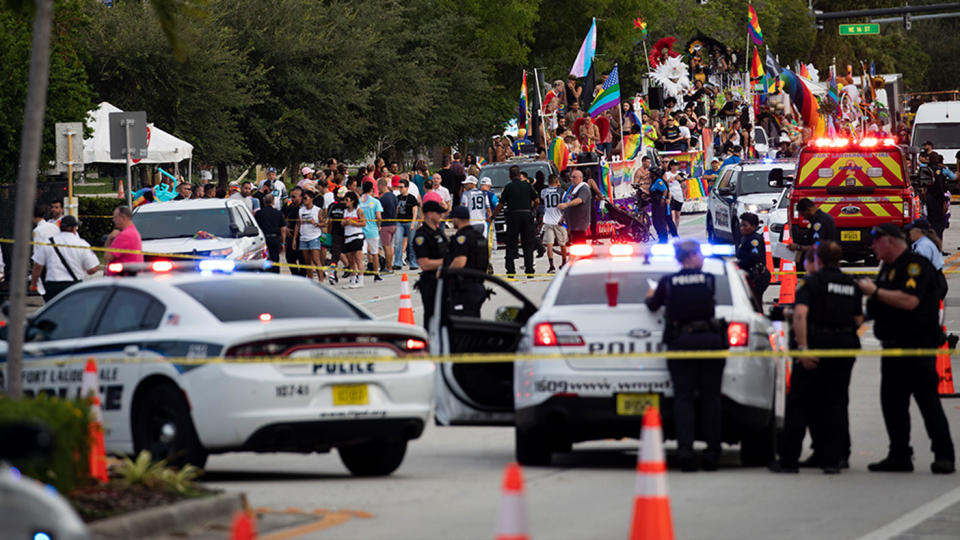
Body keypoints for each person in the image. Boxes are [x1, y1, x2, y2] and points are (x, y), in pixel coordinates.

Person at [857, 223, 955, 474]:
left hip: (917, 347)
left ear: (889, 241)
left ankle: (944, 455)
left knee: (928, 403)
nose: (872, 246)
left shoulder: (915, 266)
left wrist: (875, 292)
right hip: (892, 347)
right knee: (892, 403)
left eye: (875, 241)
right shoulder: (889, 267)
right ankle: (899, 454)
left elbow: (910, 301)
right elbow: (877, 306)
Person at [772, 241, 862, 474]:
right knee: (836, 404)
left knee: (799, 404)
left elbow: (801, 315)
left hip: (815, 346)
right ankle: (832, 460)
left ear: (818, 260)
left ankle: (789, 459)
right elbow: (858, 319)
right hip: (843, 348)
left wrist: (802, 348)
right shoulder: (850, 284)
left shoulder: (813, 283)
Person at [645, 240, 727, 471]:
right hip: (710, 342)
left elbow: (653, 305)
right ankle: (712, 454)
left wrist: (650, 295)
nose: (702, 259)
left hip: (681, 343)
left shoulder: (668, 282)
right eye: (699, 254)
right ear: (690, 256)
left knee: (684, 399)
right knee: (711, 399)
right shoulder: (709, 279)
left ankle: (685, 453)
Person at [29, 216, 100, 303]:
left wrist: (33, 283)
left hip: (53, 286)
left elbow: (37, 266)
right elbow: (93, 268)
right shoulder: (82, 244)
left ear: (60, 227)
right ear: (74, 228)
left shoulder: (48, 243)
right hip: (74, 286)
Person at [490, 165, 538, 277]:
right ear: (519, 174)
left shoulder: (508, 187)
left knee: (511, 243)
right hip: (526, 215)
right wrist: (532, 209)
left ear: (510, 175)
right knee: (527, 244)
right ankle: (529, 270)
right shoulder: (527, 185)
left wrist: (493, 216)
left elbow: (500, 204)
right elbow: (537, 200)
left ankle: (511, 271)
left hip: (513, 216)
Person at [444, 206, 489, 317]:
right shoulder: (479, 236)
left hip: (465, 287)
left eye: (452, 219)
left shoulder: (462, 238)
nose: (452, 221)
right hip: (479, 285)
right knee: (474, 320)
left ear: (457, 219)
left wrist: (444, 273)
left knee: (462, 323)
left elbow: (460, 262)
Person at [413, 201, 448, 328]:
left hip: (445, 280)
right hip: (431, 282)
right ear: (429, 214)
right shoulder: (421, 236)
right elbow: (424, 264)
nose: (440, 215)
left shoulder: (439, 232)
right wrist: (448, 262)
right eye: (438, 212)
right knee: (432, 316)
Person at [789, 198, 837, 272]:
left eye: (803, 214)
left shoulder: (820, 222)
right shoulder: (819, 219)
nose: (804, 217)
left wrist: (798, 247)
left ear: (809, 210)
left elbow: (817, 245)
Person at [736, 212, 771, 302]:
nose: (742, 228)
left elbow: (754, 258)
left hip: (758, 276)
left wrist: (738, 264)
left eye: (745, 226)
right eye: (741, 225)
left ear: (754, 226)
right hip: (749, 275)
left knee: (755, 301)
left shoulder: (754, 240)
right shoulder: (744, 238)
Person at [294, 190, 325, 282]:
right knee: (307, 262)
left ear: (311, 199)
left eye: (306, 198)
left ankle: (321, 281)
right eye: (303, 198)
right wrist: (295, 239)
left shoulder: (317, 210)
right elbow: (297, 224)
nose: (304, 200)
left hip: (314, 237)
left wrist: (315, 223)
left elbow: (324, 223)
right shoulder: (300, 210)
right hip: (303, 237)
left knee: (316, 260)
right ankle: (311, 281)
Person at [539, 174, 567, 272]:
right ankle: (564, 263)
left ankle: (551, 266)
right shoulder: (561, 192)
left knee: (549, 244)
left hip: (547, 220)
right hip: (559, 219)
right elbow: (565, 204)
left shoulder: (543, 192)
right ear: (557, 182)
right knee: (562, 243)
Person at [558, 169, 591, 245]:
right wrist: (563, 216)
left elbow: (579, 200)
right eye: (571, 177)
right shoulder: (572, 188)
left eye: (574, 177)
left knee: (579, 242)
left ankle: (582, 256)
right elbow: (568, 200)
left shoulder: (584, 188)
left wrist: (566, 205)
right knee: (575, 242)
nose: (571, 179)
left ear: (580, 178)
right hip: (572, 222)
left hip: (580, 222)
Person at [104, 206, 143, 271]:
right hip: (131, 274)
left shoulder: (124, 235)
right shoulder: (133, 231)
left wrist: (109, 238)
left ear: (123, 218)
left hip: (122, 276)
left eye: (115, 217)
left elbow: (107, 257)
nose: (113, 220)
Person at [341, 191, 367, 288]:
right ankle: (352, 280)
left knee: (358, 258)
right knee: (350, 260)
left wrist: (353, 223)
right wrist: (344, 223)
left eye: (347, 200)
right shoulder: (345, 211)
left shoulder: (358, 211)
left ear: (352, 201)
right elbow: (342, 223)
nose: (345, 202)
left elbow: (364, 223)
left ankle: (360, 280)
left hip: (357, 236)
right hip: (347, 236)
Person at [254, 194, 286, 273]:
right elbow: (283, 229)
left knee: (264, 259)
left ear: (264, 202)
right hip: (275, 239)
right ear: (273, 202)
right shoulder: (278, 213)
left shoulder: (259, 214)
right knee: (275, 259)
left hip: (263, 240)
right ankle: (276, 277)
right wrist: (283, 242)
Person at [359, 182, 384, 282]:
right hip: (372, 230)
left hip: (360, 229)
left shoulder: (358, 201)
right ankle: (376, 274)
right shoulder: (375, 201)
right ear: (372, 190)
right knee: (374, 253)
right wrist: (379, 226)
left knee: (360, 253)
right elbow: (378, 217)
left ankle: (358, 274)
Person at [394, 180, 420, 270]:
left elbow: (415, 211)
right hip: (399, 222)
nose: (400, 189)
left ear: (406, 188)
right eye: (399, 187)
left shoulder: (412, 198)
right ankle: (397, 262)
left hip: (410, 222)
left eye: (401, 187)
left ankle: (413, 263)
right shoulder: (397, 197)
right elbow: (396, 211)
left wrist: (413, 223)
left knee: (411, 243)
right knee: (398, 241)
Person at [325, 187, 348, 283]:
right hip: (345, 234)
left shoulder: (332, 206)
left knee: (335, 256)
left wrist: (328, 235)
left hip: (336, 234)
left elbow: (329, 222)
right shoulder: (348, 207)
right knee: (351, 255)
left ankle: (333, 274)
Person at [281, 187, 306, 277]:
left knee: (303, 259)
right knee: (290, 258)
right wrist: (286, 227)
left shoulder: (304, 207)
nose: (292, 199)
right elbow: (282, 215)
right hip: (290, 235)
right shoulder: (289, 206)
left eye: (294, 197)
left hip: (302, 236)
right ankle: (295, 275)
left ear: (301, 197)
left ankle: (302, 276)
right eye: (291, 196)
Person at [378, 178, 398, 274]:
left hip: (385, 225)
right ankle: (390, 266)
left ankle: (389, 268)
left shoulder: (383, 198)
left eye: (378, 187)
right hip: (394, 223)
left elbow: (379, 213)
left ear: (381, 185)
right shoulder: (393, 196)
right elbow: (397, 208)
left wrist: (379, 224)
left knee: (386, 247)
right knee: (391, 246)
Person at [665, 160, 684, 230]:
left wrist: (681, 180)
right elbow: (665, 183)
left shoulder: (680, 173)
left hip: (679, 195)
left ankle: (676, 229)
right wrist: (671, 179)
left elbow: (683, 185)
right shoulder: (667, 174)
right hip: (671, 195)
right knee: (671, 214)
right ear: (671, 166)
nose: (676, 167)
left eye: (676, 165)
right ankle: (671, 229)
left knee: (677, 215)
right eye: (674, 165)